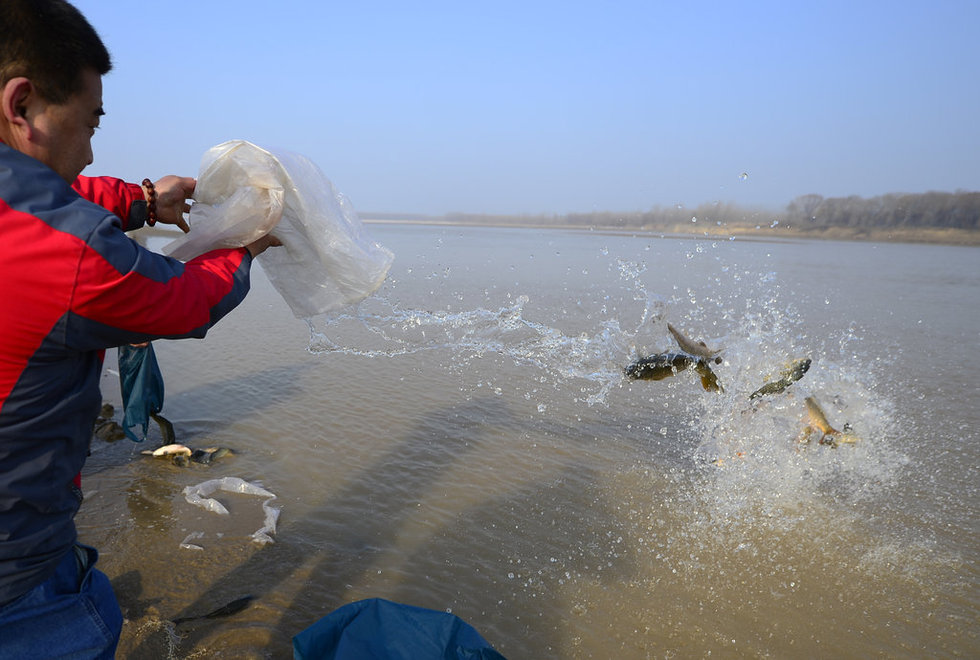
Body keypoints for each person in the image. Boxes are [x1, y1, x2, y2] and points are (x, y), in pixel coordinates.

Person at [0, 1, 280, 657]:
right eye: (88, 123)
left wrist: (144, 200)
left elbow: (43, 198)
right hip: (14, 563)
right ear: (23, 104)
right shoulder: (64, 252)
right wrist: (240, 250)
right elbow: (182, 298)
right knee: (90, 625)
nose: (93, 146)